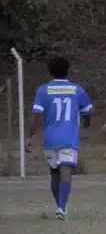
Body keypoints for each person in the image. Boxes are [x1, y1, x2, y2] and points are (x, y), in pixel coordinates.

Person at [25, 56, 93, 220]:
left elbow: (35, 116)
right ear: (68, 70)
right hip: (69, 137)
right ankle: (62, 207)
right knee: (66, 171)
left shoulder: (43, 90)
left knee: (54, 173)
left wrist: (29, 136)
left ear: (50, 71)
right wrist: (86, 124)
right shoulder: (77, 89)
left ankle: (60, 207)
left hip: (50, 139)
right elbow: (88, 111)